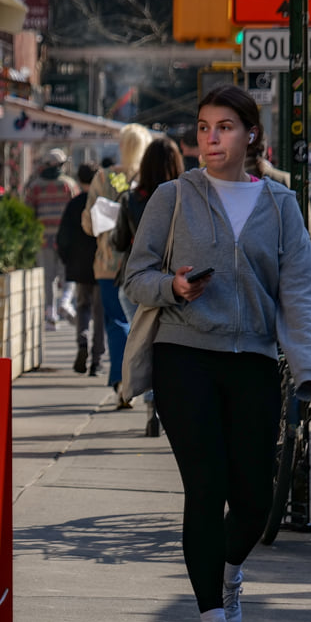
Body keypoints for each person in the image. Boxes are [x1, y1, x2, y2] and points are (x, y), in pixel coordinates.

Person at [122, 84, 311, 622]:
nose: (211, 138)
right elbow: (135, 277)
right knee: (206, 487)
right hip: (184, 355)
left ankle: (230, 572)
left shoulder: (280, 205)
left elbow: (299, 292)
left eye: (225, 127)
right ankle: (211, 621)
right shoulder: (173, 197)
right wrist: (173, 286)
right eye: (204, 127)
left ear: (251, 134)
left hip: (253, 360)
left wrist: (308, 370)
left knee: (255, 499)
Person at [114, 138, 185, 436]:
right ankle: (169, 406)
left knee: (143, 340)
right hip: (175, 282)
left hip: (136, 282)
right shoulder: (185, 197)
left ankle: (150, 407)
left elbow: (119, 241)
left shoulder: (131, 199)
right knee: (170, 348)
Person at [82, 124, 153, 406]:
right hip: (145, 264)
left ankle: (122, 381)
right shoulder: (150, 178)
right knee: (144, 325)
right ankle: (144, 383)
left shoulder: (104, 177)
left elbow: (88, 223)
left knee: (116, 322)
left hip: (109, 264)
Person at [24, 148, 81, 326]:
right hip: (66, 239)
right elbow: (77, 211)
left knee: (48, 277)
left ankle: (50, 312)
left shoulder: (35, 187)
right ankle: (65, 302)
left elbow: (28, 213)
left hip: (43, 238)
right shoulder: (69, 185)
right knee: (67, 274)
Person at [58, 162, 104, 377]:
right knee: (100, 312)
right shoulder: (102, 203)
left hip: (79, 265)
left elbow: (63, 237)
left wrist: (67, 260)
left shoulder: (74, 204)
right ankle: (97, 360)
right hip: (101, 265)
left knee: (83, 306)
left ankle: (82, 341)